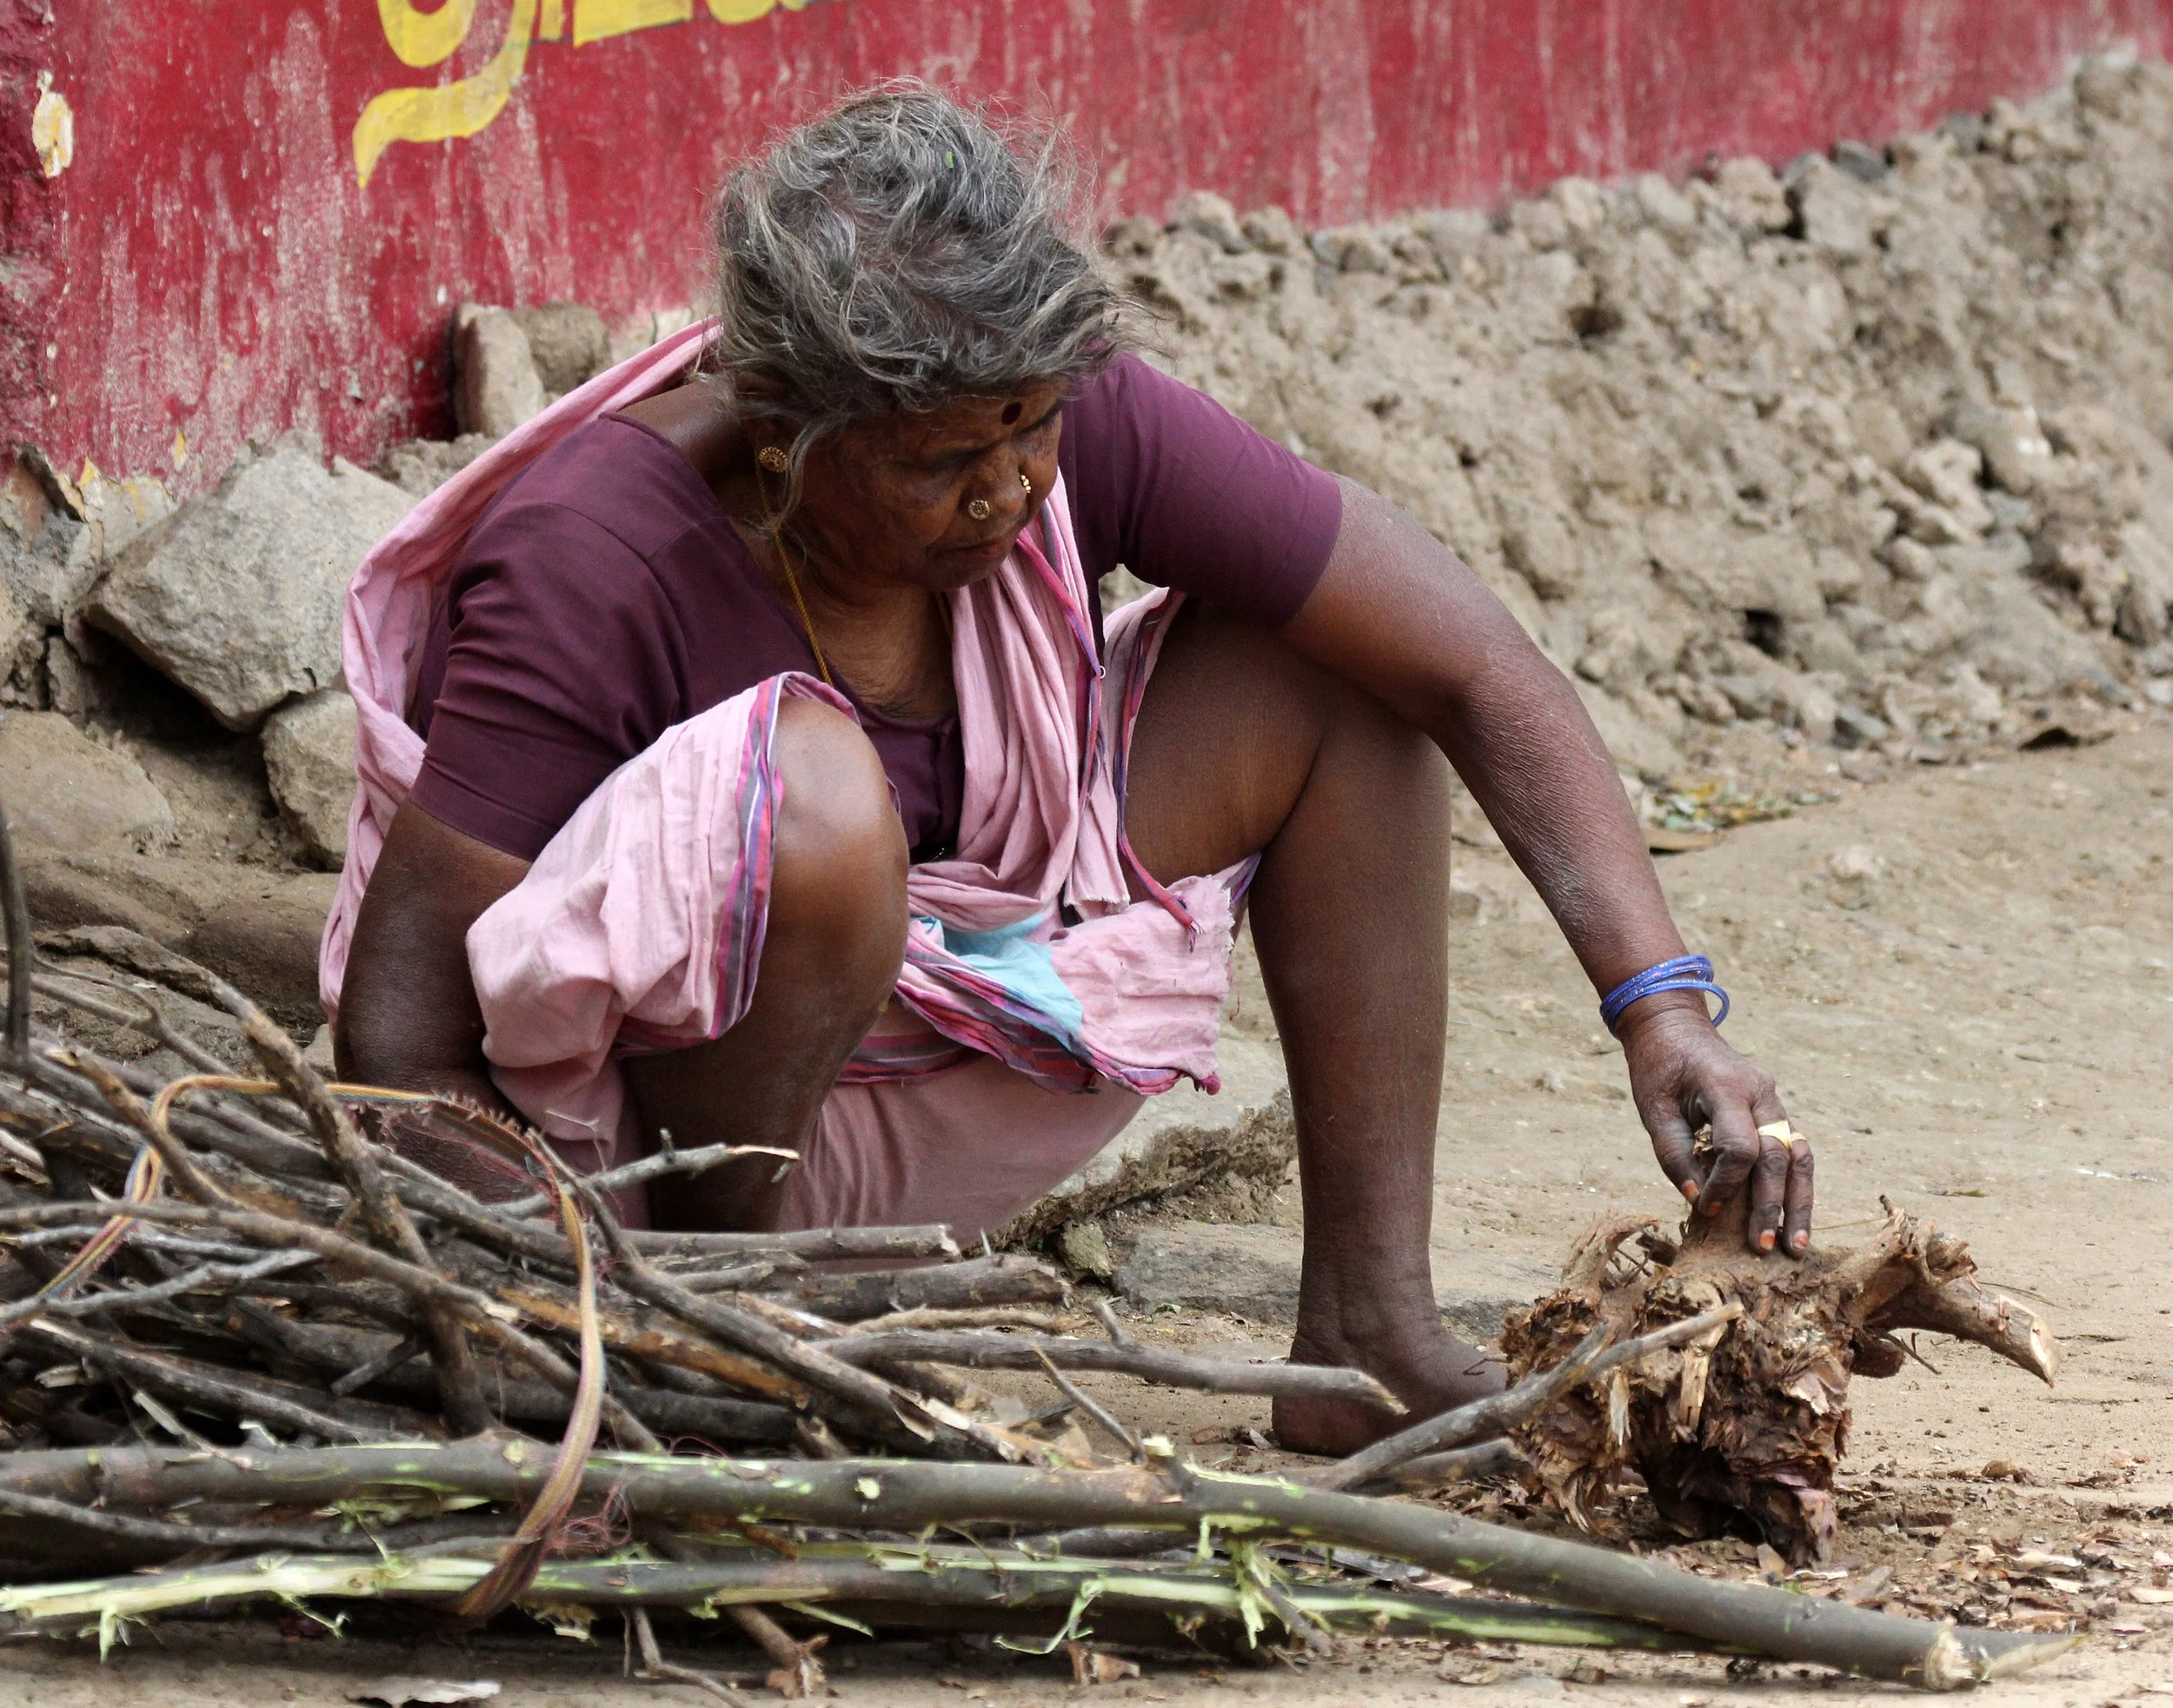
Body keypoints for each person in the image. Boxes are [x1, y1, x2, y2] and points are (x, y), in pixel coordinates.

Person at [329, 86, 1811, 1456]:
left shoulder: (1043, 412)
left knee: (1345, 682)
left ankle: (1370, 1332)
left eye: (1033, 429)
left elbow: (1473, 659)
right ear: (783, 428)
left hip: (978, 1041)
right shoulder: (599, 556)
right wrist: (605, 1313)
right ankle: (744, 1334)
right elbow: (399, 1040)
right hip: (673, 1170)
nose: (1011, 490)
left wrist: (1659, 1009)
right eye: (937, 464)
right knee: (817, 796)